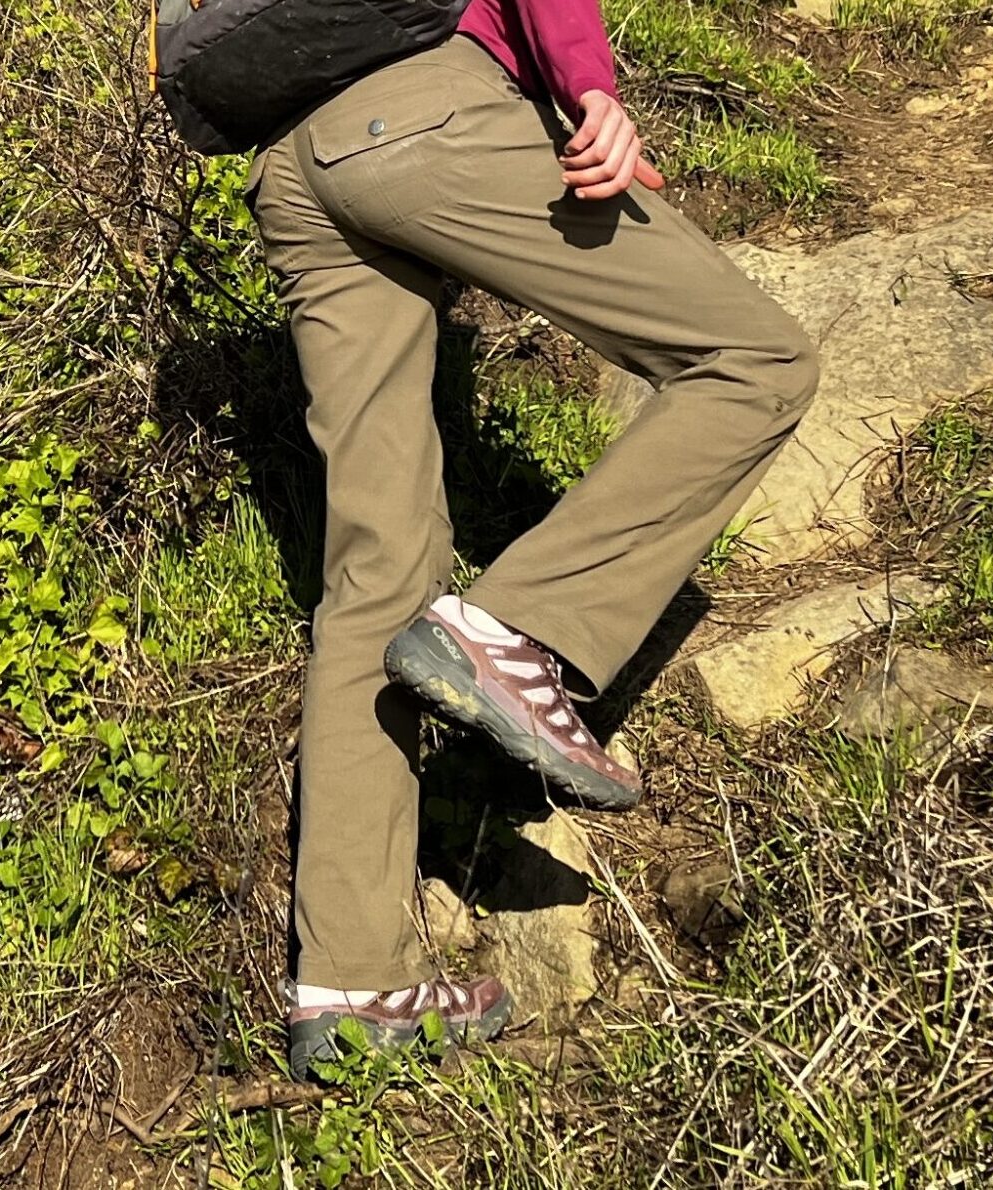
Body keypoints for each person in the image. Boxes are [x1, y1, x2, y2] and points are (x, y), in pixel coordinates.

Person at [247, 0, 820, 1079]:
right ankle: (515, 628)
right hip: (422, 111)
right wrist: (584, 79)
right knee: (756, 361)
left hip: (291, 164)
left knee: (375, 575)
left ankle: (352, 977)